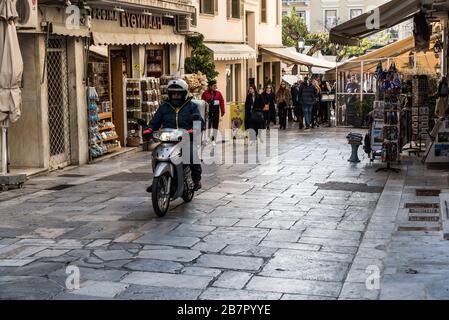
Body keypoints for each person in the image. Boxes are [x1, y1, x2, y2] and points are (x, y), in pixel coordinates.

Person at [145, 79, 205, 191]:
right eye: (173, 93)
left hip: (186, 139)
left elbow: (198, 120)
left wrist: (195, 129)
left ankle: (196, 179)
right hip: (168, 140)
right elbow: (155, 121)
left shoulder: (191, 107)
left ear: (184, 94)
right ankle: (157, 180)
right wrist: (149, 130)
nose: (175, 95)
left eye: (178, 93)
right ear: (169, 94)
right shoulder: (164, 107)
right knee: (157, 155)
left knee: (191, 155)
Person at [201, 80, 225, 145]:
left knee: (215, 125)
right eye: (214, 85)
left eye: (215, 85)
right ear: (210, 86)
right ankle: (207, 138)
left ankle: (214, 139)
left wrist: (222, 111)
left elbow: (222, 102)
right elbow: (202, 103)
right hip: (208, 112)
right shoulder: (205, 93)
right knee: (207, 125)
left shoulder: (218, 93)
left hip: (216, 111)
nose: (215, 87)